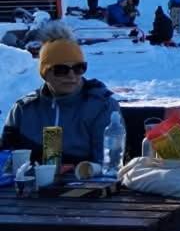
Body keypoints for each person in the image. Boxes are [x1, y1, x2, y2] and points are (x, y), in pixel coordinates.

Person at [0, 24, 119, 164]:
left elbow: (109, 163)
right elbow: (5, 158)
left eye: (78, 68)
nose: (71, 76)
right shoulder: (23, 109)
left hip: (86, 183)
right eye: (61, 70)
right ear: (45, 73)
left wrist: (75, 170)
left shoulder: (101, 106)